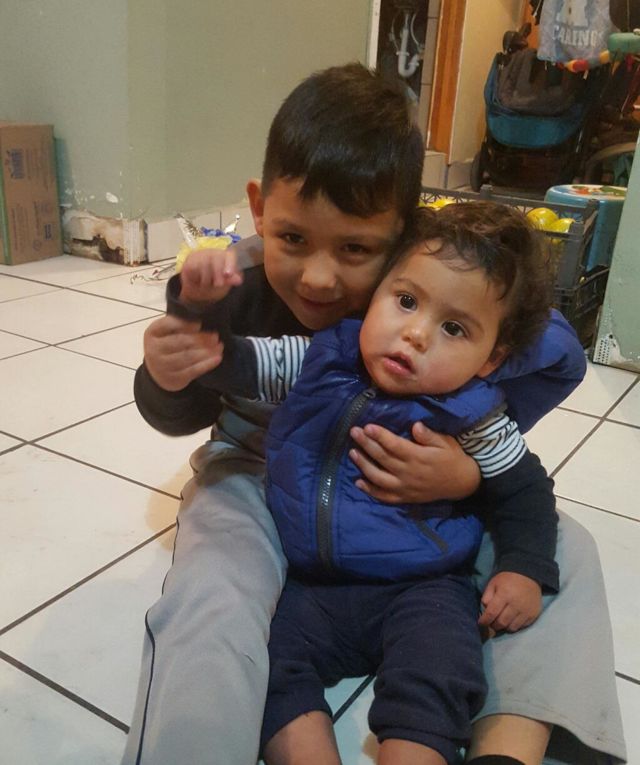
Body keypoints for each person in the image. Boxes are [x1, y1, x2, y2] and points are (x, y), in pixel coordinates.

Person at [123, 63, 627, 765]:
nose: (319, 276)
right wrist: (167, 369)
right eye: (292, 238)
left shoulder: (427, 286)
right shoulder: (234, 284)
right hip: (255, 475)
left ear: (404, 234)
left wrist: (466, 470)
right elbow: (178, 406)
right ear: (260, 209)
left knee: (564, 549)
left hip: (404, 490)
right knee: (212, 590)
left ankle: (511, 744)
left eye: (356, 249)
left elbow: (554, 354)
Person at [188, 201, 569, 765]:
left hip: (424, 587)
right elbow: (248, 363)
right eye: (407, 301)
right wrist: (202, 330)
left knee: (439, 672)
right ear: (376, 294)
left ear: (491, 359)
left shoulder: (477, 414)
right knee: (269, 664)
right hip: (310, 584)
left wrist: (523, 569)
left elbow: (526, 490)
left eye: (454, 328)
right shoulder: (322, 356)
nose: (414, 334)